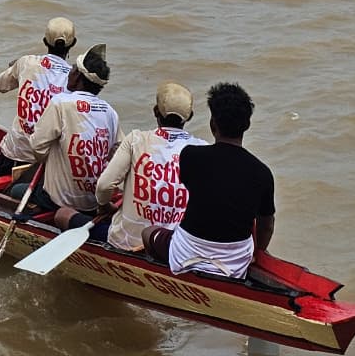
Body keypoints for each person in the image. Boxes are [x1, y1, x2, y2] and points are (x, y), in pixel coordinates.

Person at [144, 83, 274, 280]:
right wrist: (258, 253)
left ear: (213, 124)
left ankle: (161, 281)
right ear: (247, 125)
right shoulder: (263, 173)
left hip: (185, 255)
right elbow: (267, 225)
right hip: (235, 265)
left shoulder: (190, 156)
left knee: (148, 232)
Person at [58, 82, 206, 248]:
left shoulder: (136, 139)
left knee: (62, 214)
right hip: (171, 247)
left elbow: (104, 186)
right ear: (190, 116)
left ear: (155, 111)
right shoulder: (203, 148)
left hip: (127, 241)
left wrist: (104, 206)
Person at [23, 44, 119, 215]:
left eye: (74, 69)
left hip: (60, 201)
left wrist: (54, 159)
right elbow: (116, 153)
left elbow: (37, 147)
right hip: (92, 202)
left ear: (78, 77)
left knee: (16, 190)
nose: (70, 72)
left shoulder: (60, 103)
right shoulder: (111, 113)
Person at [0, 18, 75, 174]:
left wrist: (17, 68)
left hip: (13, 153)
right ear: (73, 43)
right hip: (46, 163)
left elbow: (0, 86)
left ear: (45, 41)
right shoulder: (75, 79)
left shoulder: (26, 62)